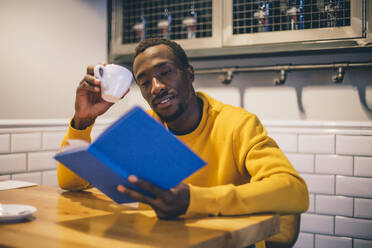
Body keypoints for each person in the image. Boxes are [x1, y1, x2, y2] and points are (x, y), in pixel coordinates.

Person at [57, 38, 309, 248]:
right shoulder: (144, 127)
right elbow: (71, 183)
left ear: (189, 74)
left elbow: (294, 191)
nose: (155, 87)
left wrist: (194, 200)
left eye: (165, 72)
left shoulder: (237, 124)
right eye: (145, 81)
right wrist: (83, 120)